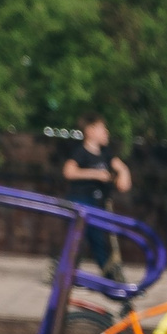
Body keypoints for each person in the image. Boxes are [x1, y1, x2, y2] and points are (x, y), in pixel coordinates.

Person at [61, 112, 131, 278]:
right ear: (90, 131)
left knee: (98, 238)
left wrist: (123, 173)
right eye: (102, 128)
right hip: (81, 200)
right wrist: (96, 174)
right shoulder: (81, 152)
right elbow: (69, 172)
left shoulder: (106, 153)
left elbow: (121, 170)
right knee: (82, 236)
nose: (106, 132)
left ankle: (108, 272)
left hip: (98, 202)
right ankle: (65, 269)